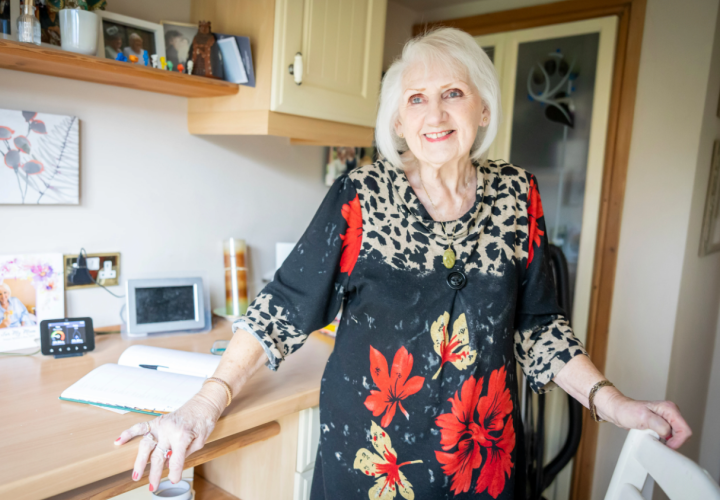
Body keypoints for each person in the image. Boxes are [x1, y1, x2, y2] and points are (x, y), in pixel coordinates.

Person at [115, 28, 692, 498]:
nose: (434, 114)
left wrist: (616, 404)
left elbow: (539, 327)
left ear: (483, 108)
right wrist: (203, 404)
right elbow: (283, 308)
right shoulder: (361, 196)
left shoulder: (519, 195)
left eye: (453, 93)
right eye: (416, 99)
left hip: (483, 465)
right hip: (370, 464)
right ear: (397, 122)